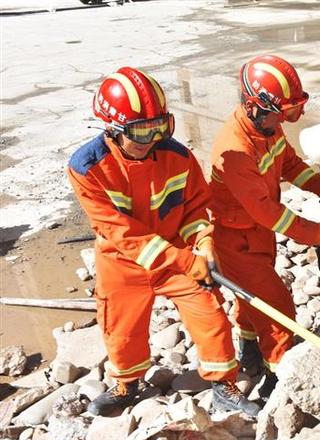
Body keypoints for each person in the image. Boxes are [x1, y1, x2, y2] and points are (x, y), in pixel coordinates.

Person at [68, 67, 259, 417]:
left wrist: (203, 242)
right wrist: (186, 261)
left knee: (211, 313)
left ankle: (222, 383)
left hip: (178, 252)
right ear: (111, 129)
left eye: (161, 127)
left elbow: (196, 208)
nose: (152, 139)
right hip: (122, 262)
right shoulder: (87, 168)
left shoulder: (179, 157)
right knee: (120, 329)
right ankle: (127, 384)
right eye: (141, 131)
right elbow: (120, 232)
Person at [209, 55, 320, 400]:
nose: (287, 119)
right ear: (255, 106)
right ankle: (277, 377)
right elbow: (268, 213)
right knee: (277, 307)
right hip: (237, 237)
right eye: (284, 113)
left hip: (256, 233)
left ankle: (249, 349)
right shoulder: (236, 150)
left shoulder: (267, 125)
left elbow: (288, 163)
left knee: (248, 300)